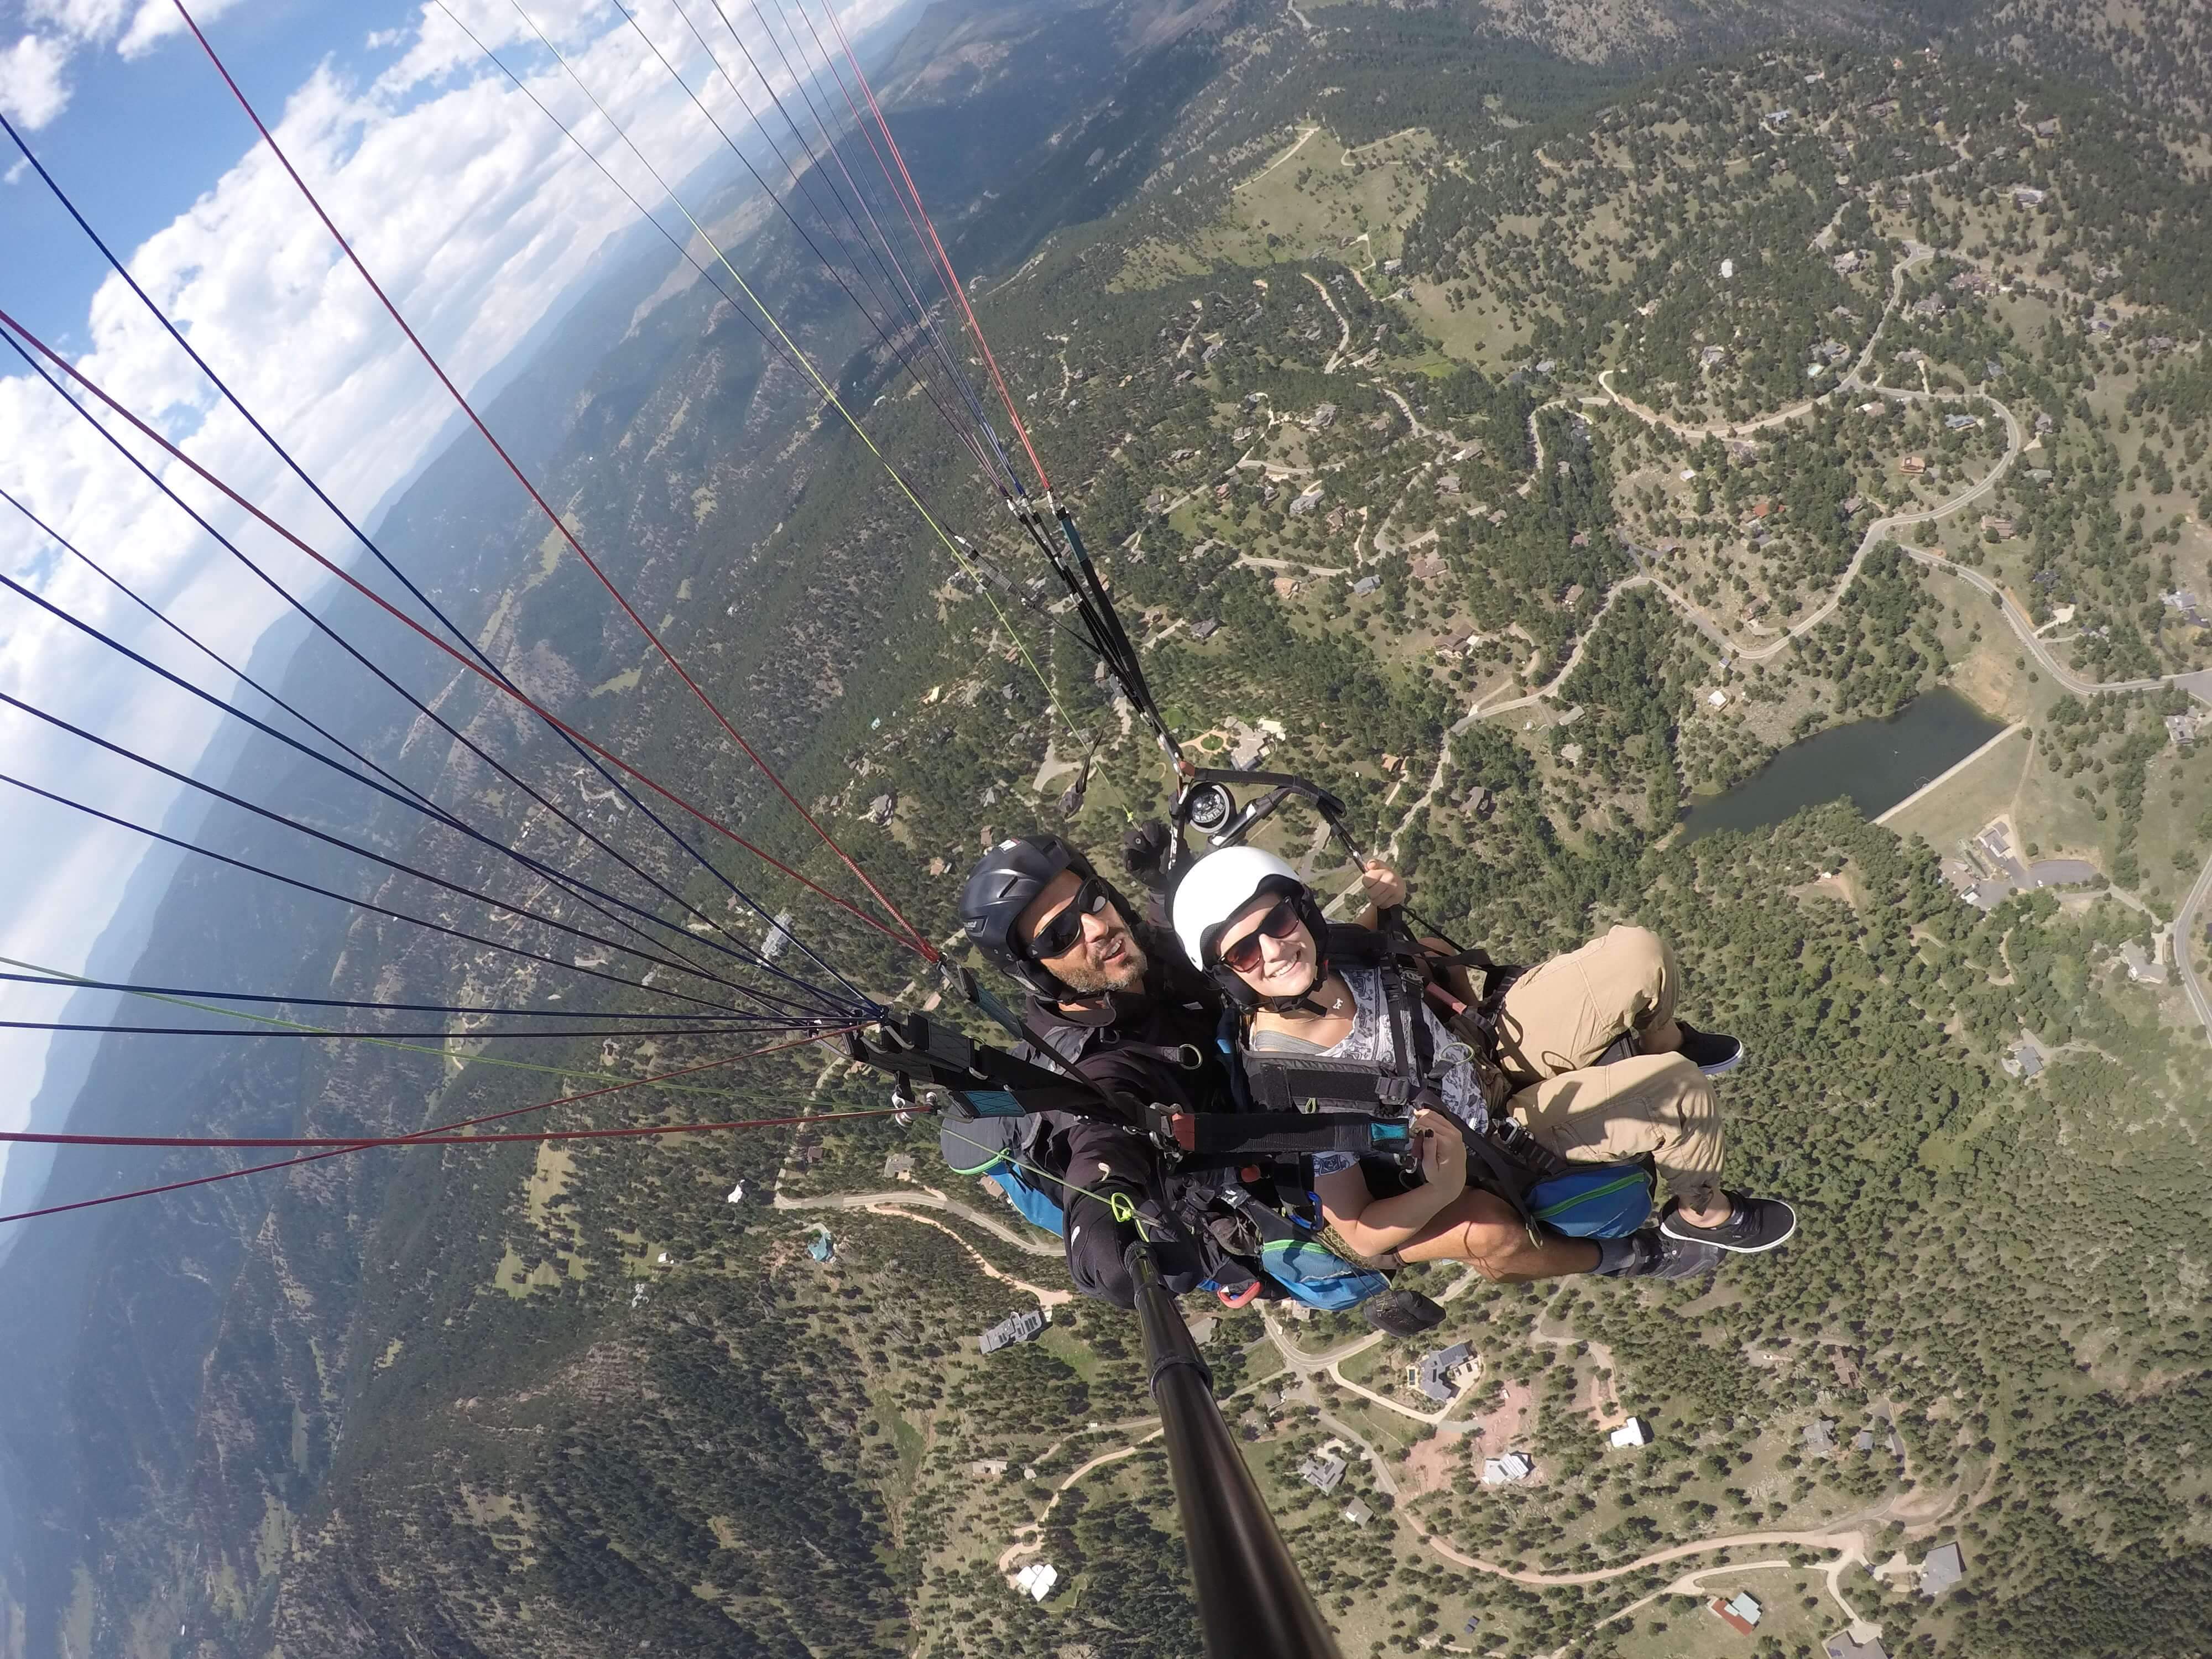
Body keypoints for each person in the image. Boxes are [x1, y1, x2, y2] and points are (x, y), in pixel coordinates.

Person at [1171, 847, 1796, 1280]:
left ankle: (1661, 1043)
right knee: (1681, 1096)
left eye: (1278, 920)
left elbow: (1401, 951)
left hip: (1483, 1050)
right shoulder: (1298, 1088)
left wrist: (1388, 905)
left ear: (1301, 911)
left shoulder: (1335, 953)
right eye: (1246, 953)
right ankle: (1701, 1214)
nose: (1275, 949)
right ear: (1231, 977)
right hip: (1496, 1137)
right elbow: (1357, 1235)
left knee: (1639, 953)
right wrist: (1442, 1190)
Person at [956, 833, 1460, 1330]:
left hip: (1290, 1082)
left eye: (1093, 898)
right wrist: (1096, 1221)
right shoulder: (1095, 1068)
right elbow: (1098, 1138)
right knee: (1481, 1232)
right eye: (1062, 933)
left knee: (1426, 952)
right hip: (1290, 1174)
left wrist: (1163, 886)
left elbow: (1204, 945)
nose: (1095, 925)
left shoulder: (1140, 958)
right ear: (1034, 972)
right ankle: (1382, 1268)